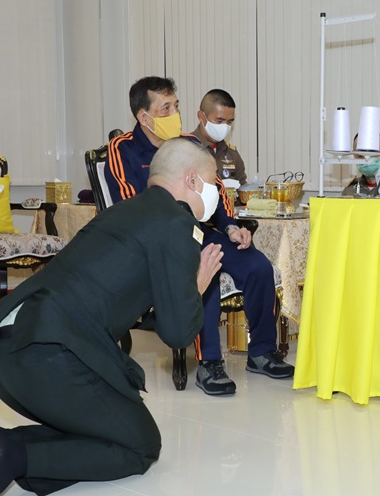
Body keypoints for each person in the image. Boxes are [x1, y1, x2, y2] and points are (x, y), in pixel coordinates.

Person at [0, 139, 225, 496]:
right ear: (192, 180)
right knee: (140, 445)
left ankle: (2, 447)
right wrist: (198, 284)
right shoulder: (176, 222)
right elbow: (177, 334)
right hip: (49, 357)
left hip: (6, 354)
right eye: (214, 182)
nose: (217, 192)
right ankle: (13, 453)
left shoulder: (124, 211)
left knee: (110, 428)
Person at [107, 77, 293, 396]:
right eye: (165, 108)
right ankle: (210, 363)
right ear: (143, 117)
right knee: (201, 272)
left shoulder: (188, 145)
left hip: (199, 231)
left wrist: (232, 226)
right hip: (154, 243)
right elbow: (129, 206)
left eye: (175, 106)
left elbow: (216, 191)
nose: (175, 114)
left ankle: (261, 352)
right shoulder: (121, 148)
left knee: (258, 266)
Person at [190, 89, 247, 184]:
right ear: (201, 117)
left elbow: (242, 192)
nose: (225, 127)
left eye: (229, 122)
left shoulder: (232, 154)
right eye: (219, 121)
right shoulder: (185, 149)